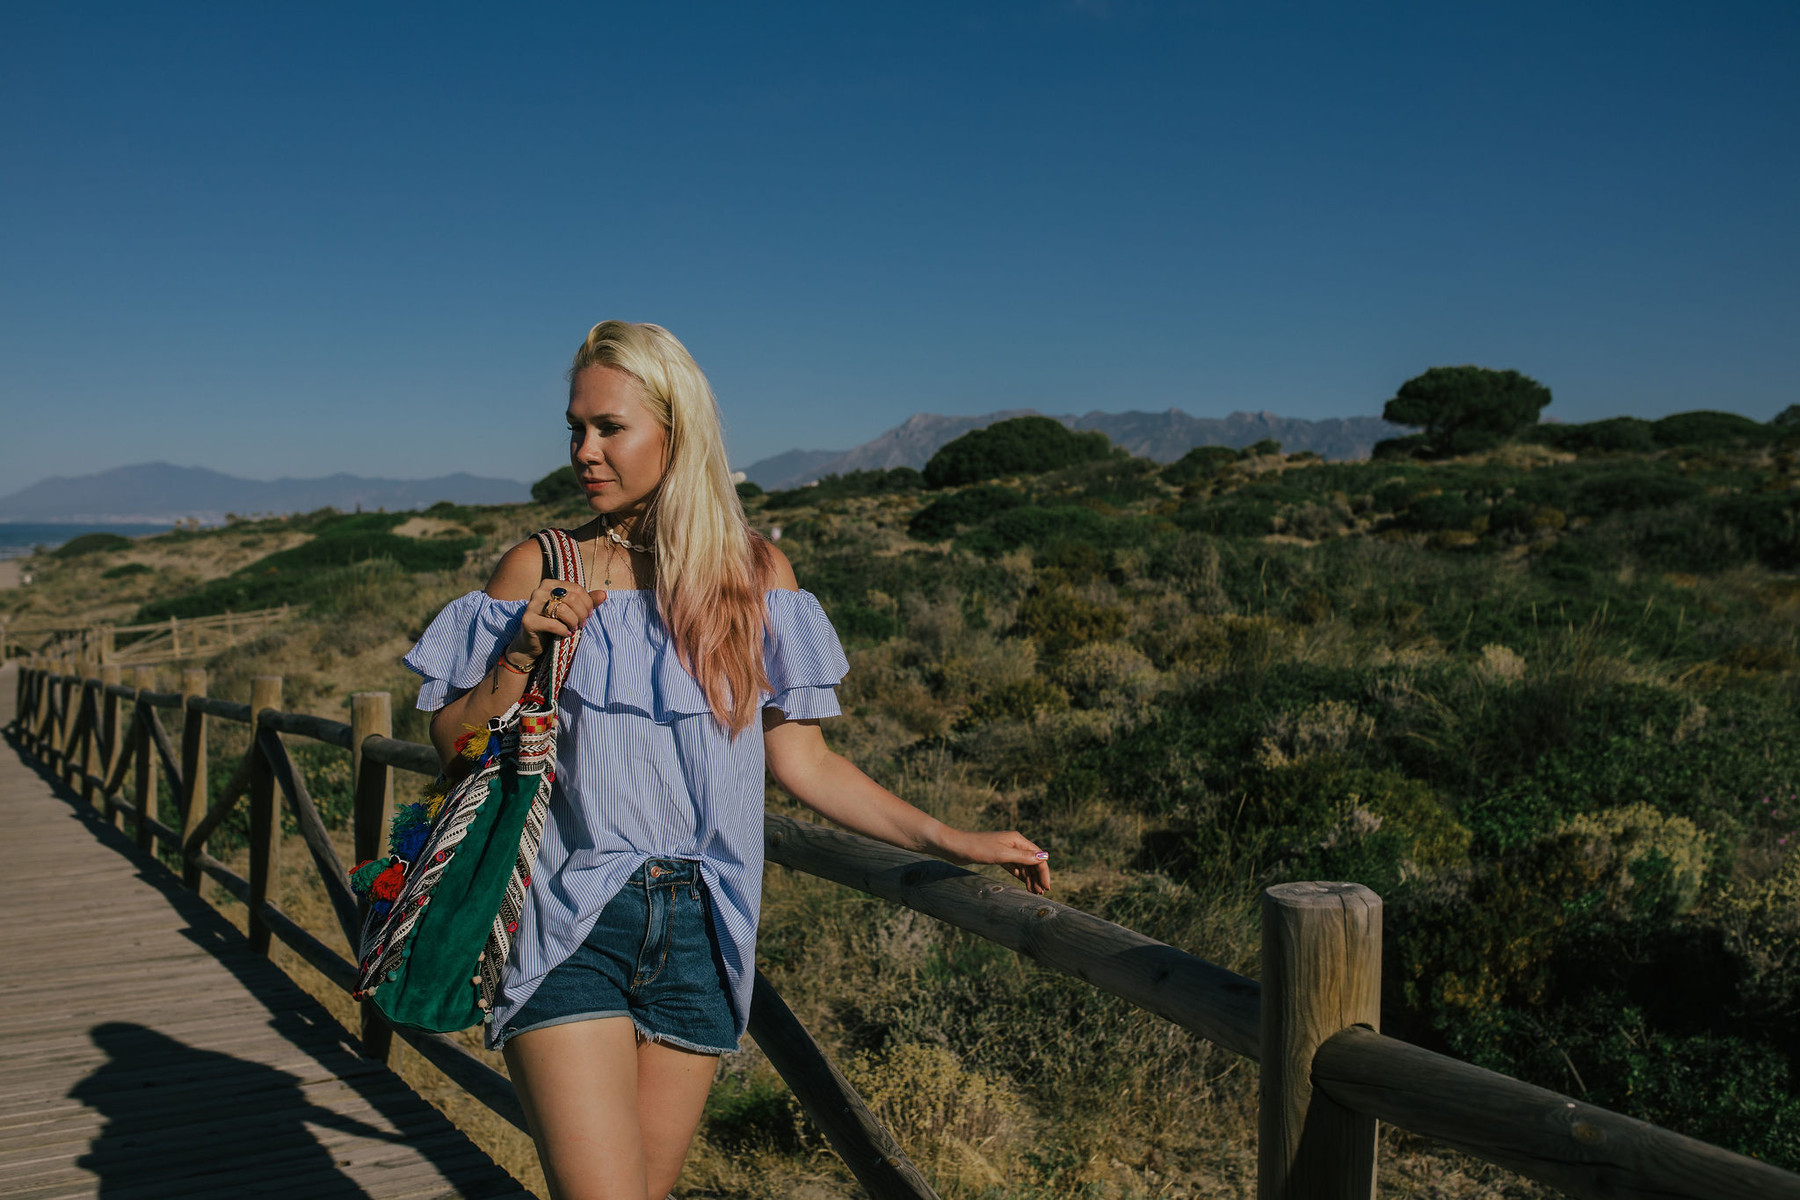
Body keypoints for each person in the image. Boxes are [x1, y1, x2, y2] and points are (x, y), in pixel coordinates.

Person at [404, 321, 1051, 1200]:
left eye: (609, 428)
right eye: (576, 428)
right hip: (569, 917)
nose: (583, 452)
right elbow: (451, 746)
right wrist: (520, 651)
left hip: (705, 926)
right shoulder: (541, 565)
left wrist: (950, 837)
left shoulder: (753, 576)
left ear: (678, 430)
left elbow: (804, 761)